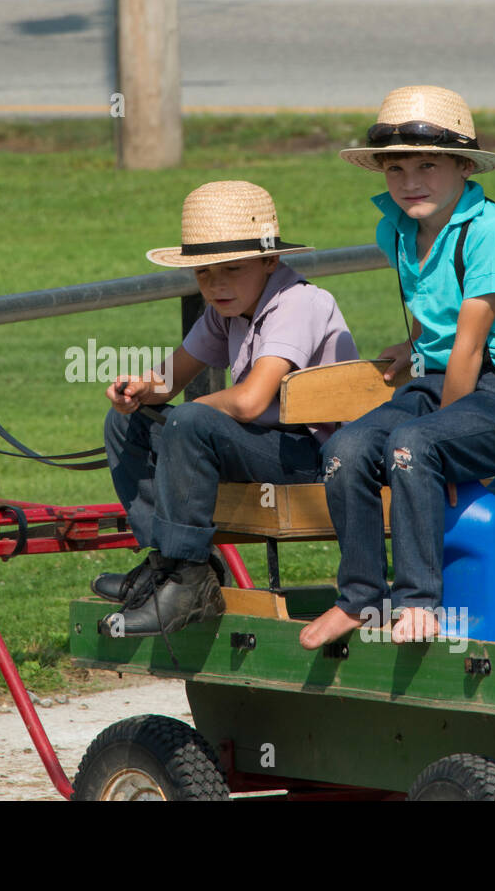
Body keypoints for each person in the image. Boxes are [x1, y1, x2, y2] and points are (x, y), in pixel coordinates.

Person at [298, 85, 495, 649]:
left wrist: (440, 438)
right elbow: (433, 304)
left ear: (463, 166)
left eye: (427, 165)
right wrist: (409, 341)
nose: (410, 181)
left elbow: (468, 346)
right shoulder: (394, 228)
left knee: (413, 443)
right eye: (396, 168)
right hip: (435, 382)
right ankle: (360, 596)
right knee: (344, 449)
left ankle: (418, 602)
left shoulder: (492, 231)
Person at [96, 180, 358, 638]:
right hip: (261, 446)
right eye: (204, 273)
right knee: (127, 423)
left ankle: (187, 580)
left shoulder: (299, 303)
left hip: (315, 460)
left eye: (232, 269)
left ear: (270, 259)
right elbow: (170, 379)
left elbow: (252, 399)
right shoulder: (227, 308)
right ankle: (170, 566)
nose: (216, 284)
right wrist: (137, 389)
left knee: (191, 419)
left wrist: (184, 415)